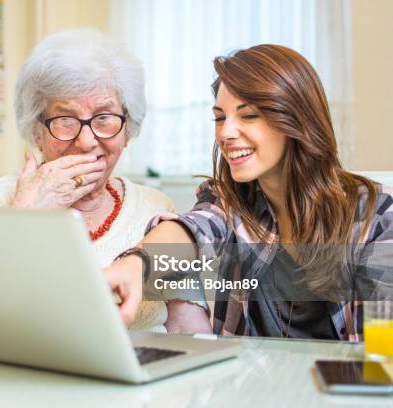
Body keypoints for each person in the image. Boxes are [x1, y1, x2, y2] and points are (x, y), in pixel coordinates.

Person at [106, 44, 393, 341]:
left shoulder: (379, 215)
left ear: (295, 118)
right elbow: (194, 230)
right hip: (247, 387)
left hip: (340, 386)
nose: (226, 133)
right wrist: (135, 265)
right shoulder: (230, 201)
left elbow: (382, 358)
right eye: (220, 117)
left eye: (249, 115)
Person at [0, 29, 179, 332]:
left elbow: (185, 326)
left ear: (128, 130)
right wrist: (26, 215)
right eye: (65, 120)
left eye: (104, 118)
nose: (86, 141)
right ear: (37, 133)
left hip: (147, 371)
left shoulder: (156, 207)